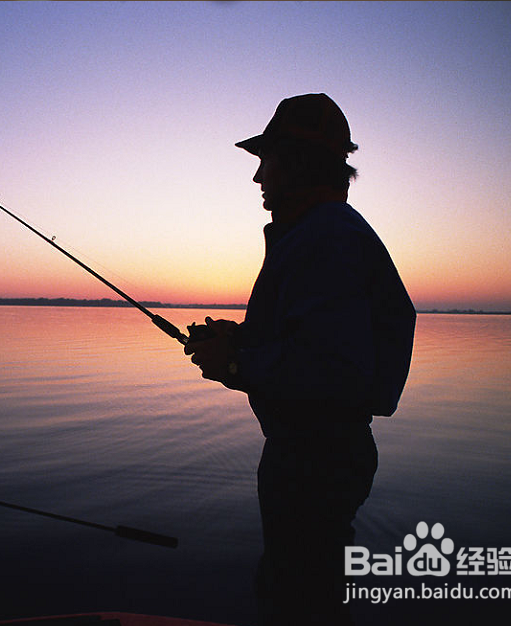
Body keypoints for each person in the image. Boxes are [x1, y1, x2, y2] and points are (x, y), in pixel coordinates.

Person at [184, 94, 415, 625]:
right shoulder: (319, 235)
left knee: (298, 598)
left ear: (298, 162)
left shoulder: (327, 238)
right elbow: (315, 338)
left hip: (315, 459)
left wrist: (239, 365)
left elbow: (338, 371)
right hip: (317, 454)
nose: (257, 177)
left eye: (266, 161)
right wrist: (239, 339)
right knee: (306, 588)